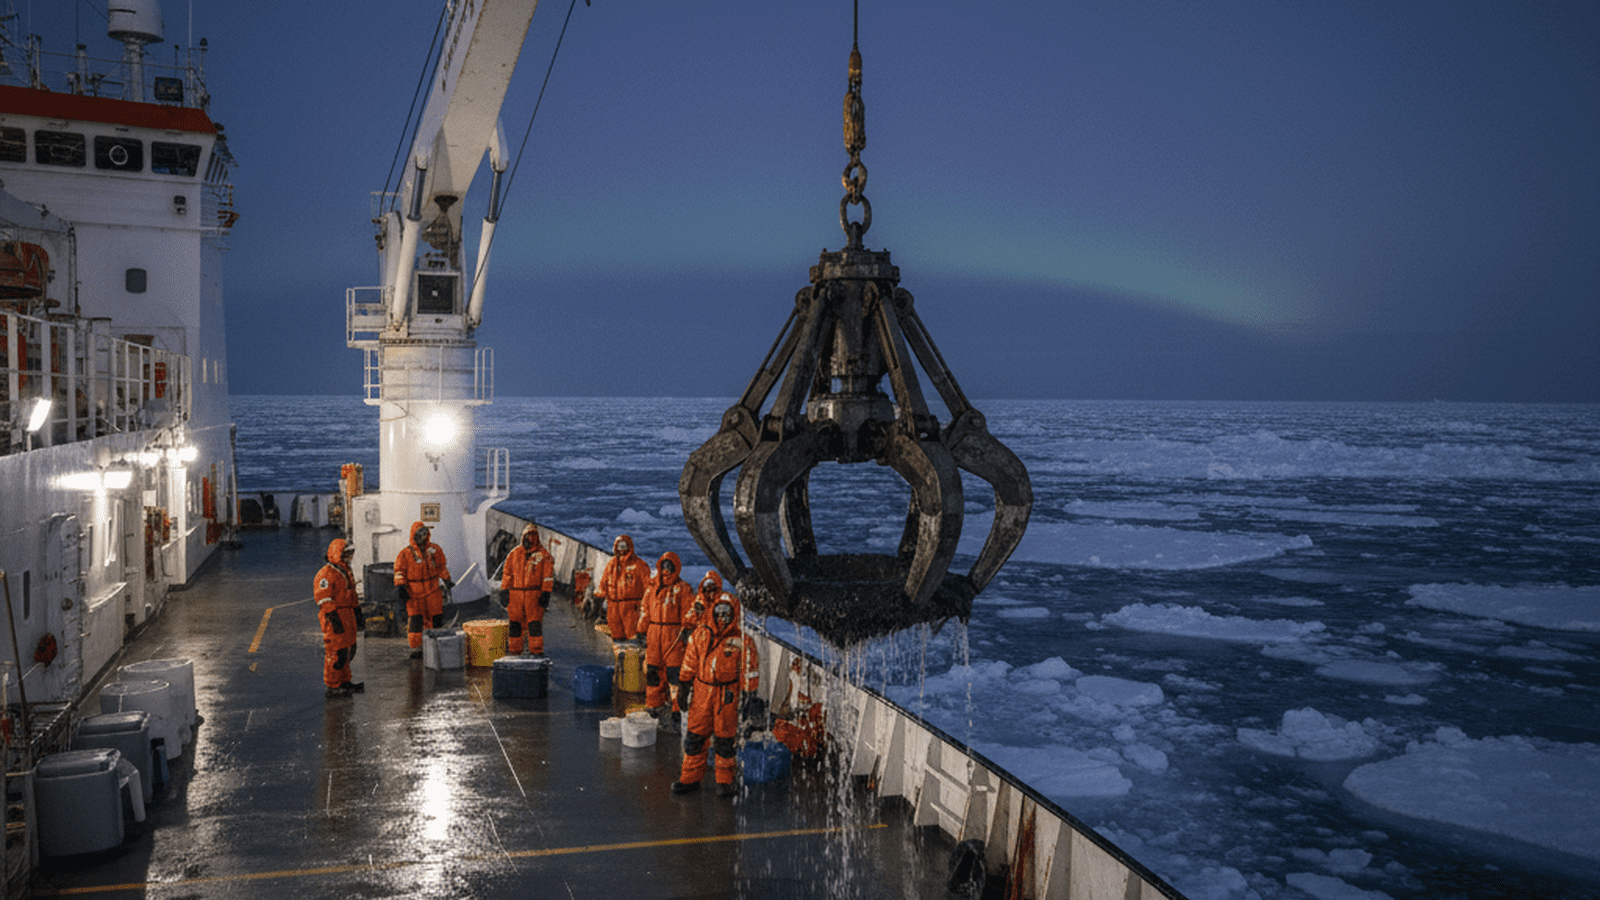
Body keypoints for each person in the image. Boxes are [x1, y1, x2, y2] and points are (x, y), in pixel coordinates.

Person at [672, 589, 762, 798]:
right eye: (719, 613)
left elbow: (750, 669)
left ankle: (725, 782)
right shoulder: (700, 634)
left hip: (727, 695)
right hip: (702, 692)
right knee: (695, 737)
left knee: (725, 741)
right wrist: (684, 686)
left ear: (734, 615)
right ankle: (690, 779)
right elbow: (689, 661)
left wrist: (750, 696)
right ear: (713, 613)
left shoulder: (743, 641)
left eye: (727, 614)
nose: (722, 618)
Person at [637, 551, 697, 719]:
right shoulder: (652, 587)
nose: (666, 570)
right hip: (654, 634)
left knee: (674, 675)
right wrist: (641, 630)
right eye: (663, 566)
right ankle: (653, 705)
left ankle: (676, 709)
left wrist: (688, 628)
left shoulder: (683, 589)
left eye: (670, 566)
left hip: (674, 636)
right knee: (652, 672)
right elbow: (645, 610)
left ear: (676, 568)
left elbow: (689, 612)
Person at [394, 521, 453, 659]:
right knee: (416, 621)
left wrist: (447, 580)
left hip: (433, 590)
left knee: (436, 618)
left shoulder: (435, 550)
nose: (422, 536)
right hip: (414, 593)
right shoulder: (404, 554)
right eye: (419, 534)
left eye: (424, 533)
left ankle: (437, 644)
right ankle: (417, 648)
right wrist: (401, 586)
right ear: (413, 535)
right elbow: (399, 571)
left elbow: (441, 567)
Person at [315, 537, 364, 698]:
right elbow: (324, 598)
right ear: (338, 553)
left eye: (350, 553)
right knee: (336, 652)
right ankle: (333, 685)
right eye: (347, 553)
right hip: (335, 616)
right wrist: (333, 618)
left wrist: (357, 612)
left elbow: (351, 593)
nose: (349, 557)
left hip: (347, 615)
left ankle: (345, 681)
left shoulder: (345, 571)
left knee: (347, 650)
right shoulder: (326, 574)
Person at [501, 523, 554, 656]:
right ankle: (514, 652)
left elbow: (548, 576)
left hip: (534, 596)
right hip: (515, 596)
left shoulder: (544, 555)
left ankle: (536, 653)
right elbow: (507, 573)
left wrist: (546, 593)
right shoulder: (514, 553)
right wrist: (504, 591)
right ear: (523, 536)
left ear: (537, 537)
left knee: (534, 626)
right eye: (527, 536)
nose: (529, 539)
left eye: (532, 536)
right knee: (515, 625)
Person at [595, 534, 649, 642]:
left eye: (624, 546)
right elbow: (604, 581)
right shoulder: (611, 564)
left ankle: (632, 657)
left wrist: (646, 606)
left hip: (631, 606)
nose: (622, 549)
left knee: (632, 634)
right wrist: (599, 597)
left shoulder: (639, 565)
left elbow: (647, 587)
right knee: (616, 634)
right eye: (619, 546)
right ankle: (619, 656)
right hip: (613, 605)